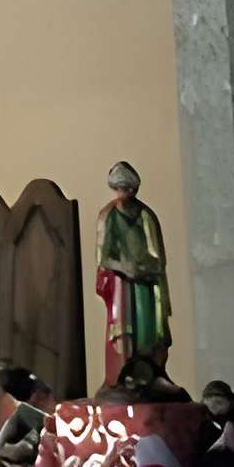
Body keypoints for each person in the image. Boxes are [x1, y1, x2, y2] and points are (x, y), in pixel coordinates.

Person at [94, 159, 172, 388]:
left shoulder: (145, 215)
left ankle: (152, 373)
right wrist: (124, 267)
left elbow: (157, 254)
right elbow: (103, 257)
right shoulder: (108, 216)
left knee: (150, 330)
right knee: (127, 330)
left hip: (146, 282)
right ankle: (126, 373)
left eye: (128, 189)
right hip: (123, 284)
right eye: (120, 189)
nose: (124, 193)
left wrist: (145, 267)